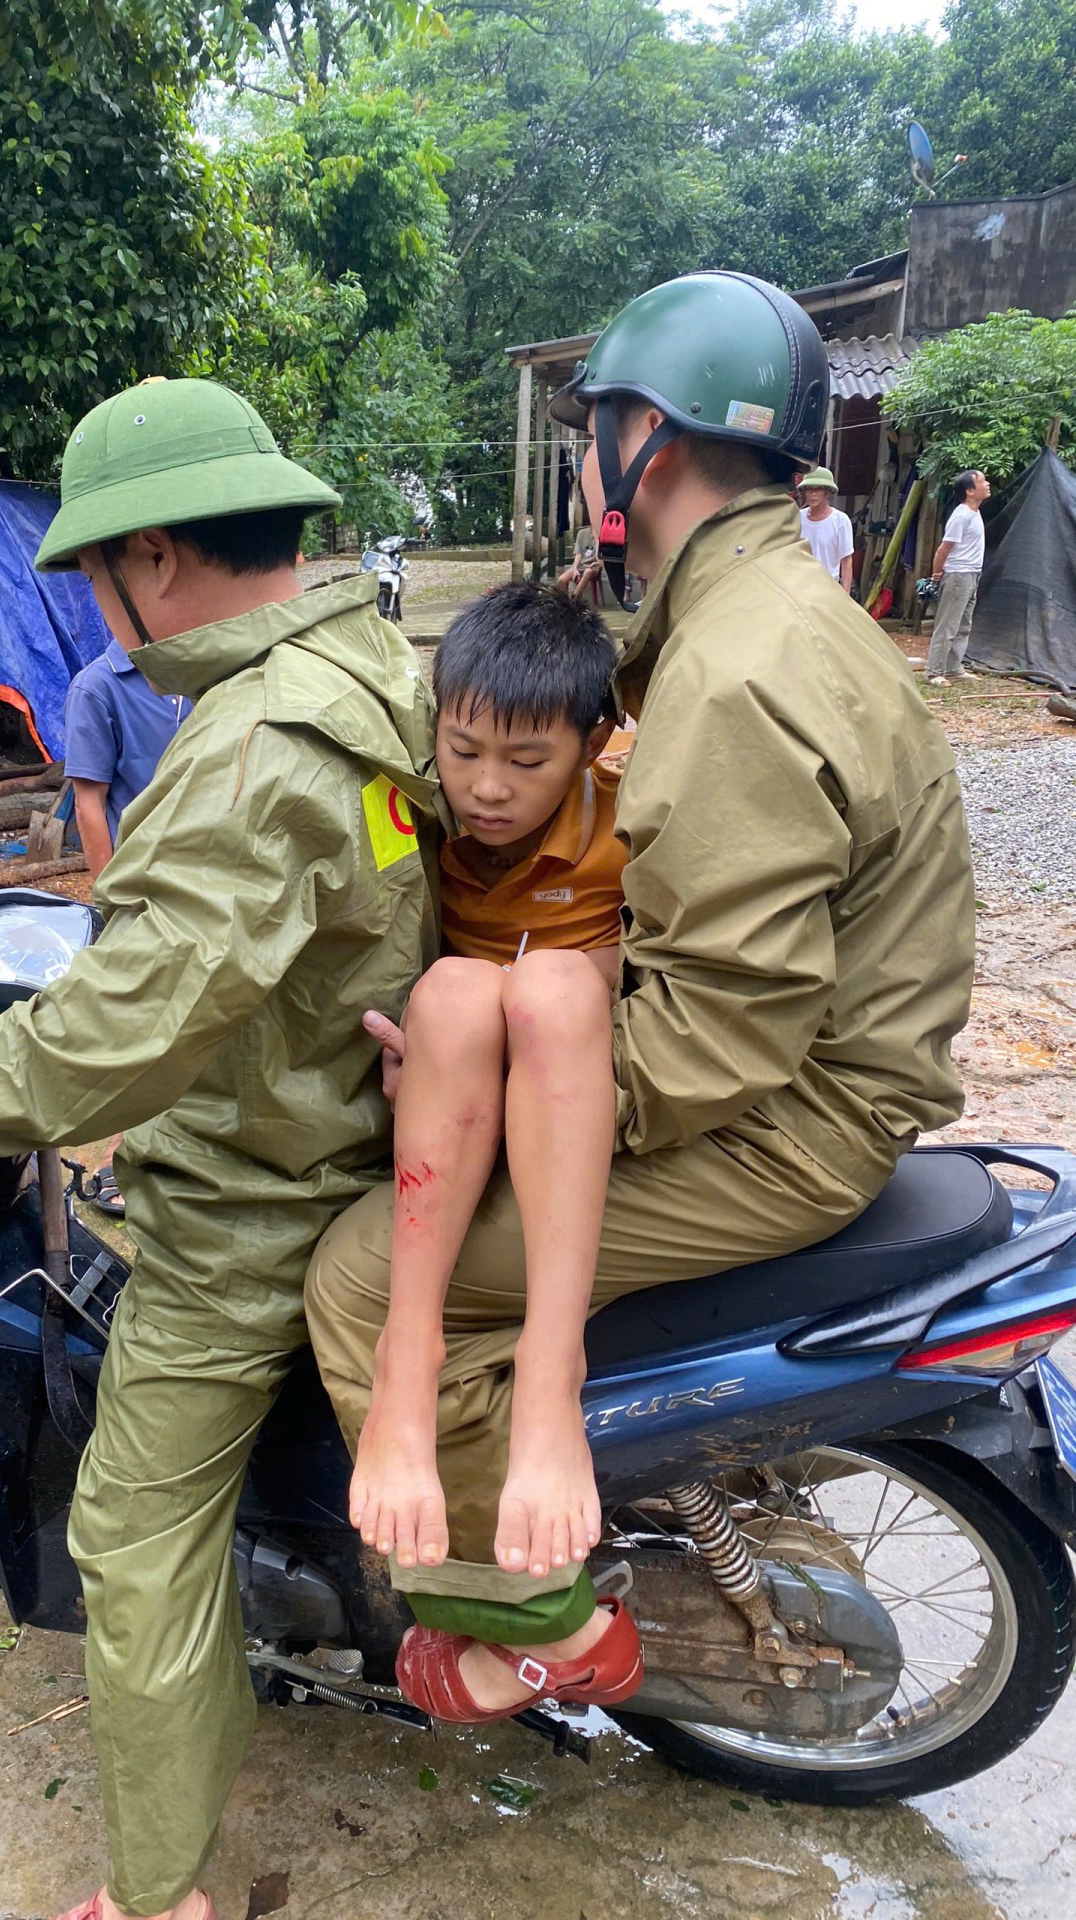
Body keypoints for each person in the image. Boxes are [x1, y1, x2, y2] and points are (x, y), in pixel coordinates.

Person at [306, 269, 976, 1728]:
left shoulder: (734, 674)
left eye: (596, 424)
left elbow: (716, 1035)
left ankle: (521, 1620)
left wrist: (465, 1086)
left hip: (791, 1123)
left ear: (644, 447)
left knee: (364, 1274)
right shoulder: (778, 615)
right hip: (827, 1079)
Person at [0, 376, 440, 1920]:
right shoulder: (367, 665)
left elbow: (102, 1048)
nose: (99, 610)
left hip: (258, 1202)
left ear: (153, 557)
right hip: (360, 1118)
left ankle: (158, 1895)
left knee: (133, 1530)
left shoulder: (244, 751)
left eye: (95, 575)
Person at [350, 582, 631, 1626]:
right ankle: (407, 1361)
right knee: (454, 992)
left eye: (527, 762)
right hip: (451, 1100)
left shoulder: (629, 823)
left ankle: (550, 1381)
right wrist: (397, 1043)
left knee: (553, 984)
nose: (488, 789)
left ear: (593, 741)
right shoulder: (411, 815)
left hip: (564, 1082)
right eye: (463, 750)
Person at [64, 630, 191, 876]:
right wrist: (110, 899)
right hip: (141, 877)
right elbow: (89, 803)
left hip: (206, 868)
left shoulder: (201, 675)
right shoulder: (96, 688)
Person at [927, 469, 991, 686]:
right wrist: (936, 576)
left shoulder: (975, 512)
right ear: (970, 491)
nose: (987, 484)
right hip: (958, 575)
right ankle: (935, 671)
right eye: (982, 481)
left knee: (963, 625)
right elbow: (943, 549)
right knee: (947, 625)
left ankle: (953, 668)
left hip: (972, 574)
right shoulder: (961, 515)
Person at [797, 465, 854, 590]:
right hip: (800, 586)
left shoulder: (840, 521)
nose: (812, 494)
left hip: (828, 588)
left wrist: (845, 594)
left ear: (827, 492)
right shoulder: (798, 518)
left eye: (817, 489)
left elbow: (846, 560)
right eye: (809, 489)